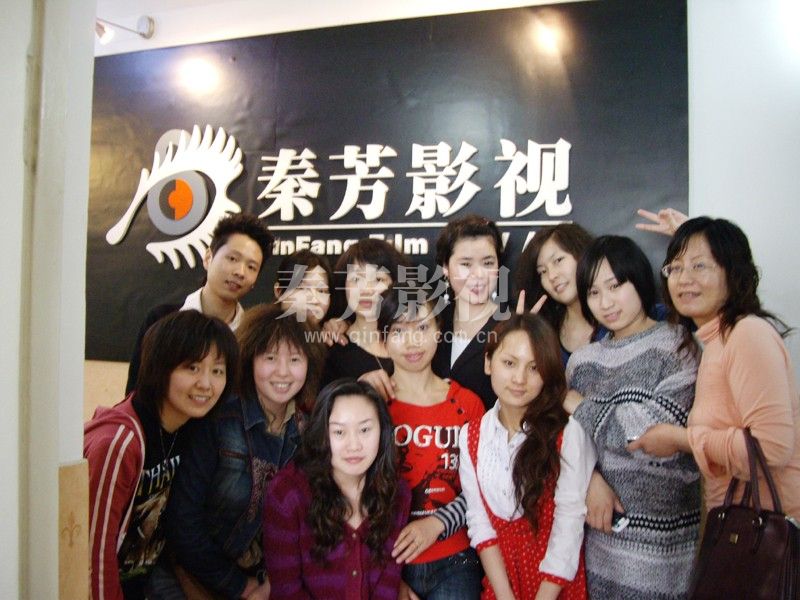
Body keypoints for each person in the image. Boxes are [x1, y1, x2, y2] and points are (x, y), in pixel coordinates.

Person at [630, 216, 800, 519]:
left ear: (733, 274)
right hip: (733, 524)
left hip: (764, 531)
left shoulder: (747, 334)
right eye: (675, 268)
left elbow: (771, 448)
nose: (684, 279)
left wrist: (681, 440)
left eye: (699, 266)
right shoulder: (716, 341)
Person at [566, 236, 701, 599]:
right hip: (600, 540)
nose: (606, 303)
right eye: (594, 292)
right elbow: (565, 443)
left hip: (665, 545)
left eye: (615, 286)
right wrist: (590, 478)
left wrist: (579, 405)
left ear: (639, 279)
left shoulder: (677, 345)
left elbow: (652, 437)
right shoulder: (582, 362)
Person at [162, 304, 326, 599]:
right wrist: (240, 586)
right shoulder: (218, 418)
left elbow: (305, 527)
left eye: (295, 359)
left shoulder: (309, 433)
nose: (283, 371)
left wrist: (269, 584)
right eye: (270, 357)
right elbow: (182, 519)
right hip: (194, 576)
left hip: (265, 583)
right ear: (250, 357)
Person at [85, 310, 239, 600]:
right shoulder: (119, 444)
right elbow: (93, 554)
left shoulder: (190, 429)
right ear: (160, 367)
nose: (206, 384)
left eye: (217, 371)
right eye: (192, 367)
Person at [459, 313, 592, 600]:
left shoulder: (567, 433)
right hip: (501, 584)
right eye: (509, 363)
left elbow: (568, 526)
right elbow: (480, 523)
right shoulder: (471, 435)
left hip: (556, 585)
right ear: (488, 362)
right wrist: (504, 594)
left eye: (534, 368)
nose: (520, 379)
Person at [377, 288, 485, 599]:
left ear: (439, 331)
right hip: (386, 561)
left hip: (455, 558)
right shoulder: (372, 405)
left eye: (422, 327)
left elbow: (483, 487)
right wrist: (387, 575)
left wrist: (438, 523)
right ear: (383, 340)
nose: (412, 341)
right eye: (399, 331)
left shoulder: (468, 404)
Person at [263, 379, 411, 599]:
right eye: (339, 432)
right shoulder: (286, 494)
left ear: (383, 431)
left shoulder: (397, 492)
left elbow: (388, 584)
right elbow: (287, 590)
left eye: (365, 430)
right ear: (322, 435)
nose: (354, 445)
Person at [125, 213, 274, 393]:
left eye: (251, 267)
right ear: (208, 257)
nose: (240, 272)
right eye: (232, 259)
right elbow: (136, 392)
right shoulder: (161, 320)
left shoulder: (252, 334)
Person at [321, 239, 410, 385]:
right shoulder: (331, 349)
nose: (366, 290)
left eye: (378, 279)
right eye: (356, 279)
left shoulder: (416, 342)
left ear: (396, 284)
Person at [514, 223, 597, 367]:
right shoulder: (545, 330)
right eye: (542, 271)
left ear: (583, 253)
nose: (552, 276)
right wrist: (520, 339)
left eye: (558, 260)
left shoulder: (617, 315)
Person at [273, 249, 333, 325]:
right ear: (279, 291)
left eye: (321, 291)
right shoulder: (262, 331)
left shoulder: (331, 331)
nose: (314, 300)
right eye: (302, 288)